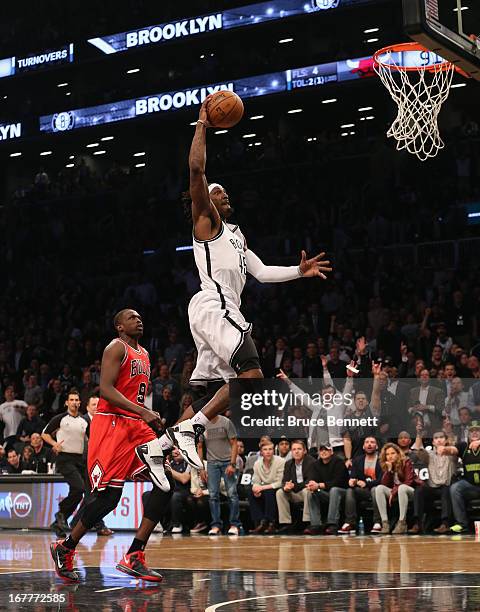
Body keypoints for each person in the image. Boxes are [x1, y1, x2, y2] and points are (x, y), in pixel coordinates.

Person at [155, 96, 332, 468]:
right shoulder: (207, 222)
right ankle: (192, 430)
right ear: (206, 200)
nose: (224, 194)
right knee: (251, 375)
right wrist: (202, 124)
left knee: (222, 392)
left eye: (224, 192)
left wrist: (298, 272)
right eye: (218, 192)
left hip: (216, 311)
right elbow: (196, 171)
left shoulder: (236, 234)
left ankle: (161, 448)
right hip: (214, 305)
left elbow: (263, 272)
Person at [49, 309, 171, 583]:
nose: (138, 319)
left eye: (140, 316)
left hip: (137, 427)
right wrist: (142, 412)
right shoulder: (116, 347)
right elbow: (105, 389)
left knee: (165, 482)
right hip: (113, 425)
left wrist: (145, 417)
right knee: (108, 498)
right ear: (119, 326)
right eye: (131, 317)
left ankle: (135, 554)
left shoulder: (146, 354)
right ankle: (65, 548)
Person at [42, 390, 89, 539]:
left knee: (80, 492)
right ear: (67, 402)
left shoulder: (84, 421)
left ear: (80, 403)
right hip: (64, 458)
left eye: (77, 400)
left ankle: (58, 521)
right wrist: (54, 444)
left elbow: (92, 439)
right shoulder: (60, 418)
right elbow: (44, 433)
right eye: (72, 400)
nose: (74, 402)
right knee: (79, 488)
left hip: (79, 460)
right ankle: (61, 512)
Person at [198, 413, 241, 535]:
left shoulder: (226, 422)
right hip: (212, 463)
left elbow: (234, 443)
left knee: (232, 494)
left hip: (228, 461)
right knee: (213, 495)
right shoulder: (202, 425)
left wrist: (232, 464)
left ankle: (234, 524)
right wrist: (201, 468)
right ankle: (216, 525)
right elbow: (199, 446)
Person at [409, 428, 458, 534]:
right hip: (432, 487)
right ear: (433, 442)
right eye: (436, 438)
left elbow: (455, 450)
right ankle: (417, 523)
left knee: (446, 489)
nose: (439, 440)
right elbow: (417, 450)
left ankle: (445, 524)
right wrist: (419, 434)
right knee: (419, 490)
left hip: (446, 486)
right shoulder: (429, 454)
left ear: (446, 440)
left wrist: (447, 448)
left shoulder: (451, 454)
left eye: (441, 437)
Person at [375, 443, 423, 534]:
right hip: (397, 492)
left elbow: (409, 482)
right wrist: (389, 471)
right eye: (387, 454)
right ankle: (385, 523)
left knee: (402, 488)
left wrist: (394, 491)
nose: (390, 456)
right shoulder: (388, 465)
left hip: (412, 491)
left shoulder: (406, 462)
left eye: (392, 453)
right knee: (379, 488)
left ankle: (402, 523)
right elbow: (384, 484)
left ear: (398, 453)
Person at [338, 436, 383, 534]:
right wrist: (353, 481)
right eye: (367, 442)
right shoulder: (357, 460)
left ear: (377, 446)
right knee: (350, 491)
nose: (369, 444)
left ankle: (377, 522)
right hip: (363, 491)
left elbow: (382, 480)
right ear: (363, 446)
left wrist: (366, 483)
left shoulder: (381, 459)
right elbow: (353, 476)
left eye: (372, 442)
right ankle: (350, 522)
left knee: (376, 489)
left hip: (378, 490)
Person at [304, 443, 349, 535]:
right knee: (311, 492)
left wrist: (319, 485)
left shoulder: (339, 462)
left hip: (343, 493)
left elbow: (338, 482)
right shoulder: (316, 464)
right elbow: (312, 478)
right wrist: (311, 485)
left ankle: (332, 524)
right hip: (325, 493)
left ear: (331, 451)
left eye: (326, 450)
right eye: (321, 450)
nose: (323, 452)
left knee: (334, 490)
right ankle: (316, 525)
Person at [276, 439, 315, 533]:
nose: (296, 451)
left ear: (305, 451)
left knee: (307, 490)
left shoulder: (311, 462)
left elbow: (309, 481)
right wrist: (286, 487)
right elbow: (285, 480)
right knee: (280, 492)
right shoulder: (288, 463)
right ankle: (285, 523)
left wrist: (294, 486)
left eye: (299, 449)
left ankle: (307, 522)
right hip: (294, 492)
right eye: (294, 449)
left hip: (307, 491)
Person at [449, 420, 480, 533]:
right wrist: (445, 449)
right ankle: (461, 524)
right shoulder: (464, 446)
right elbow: (453, 449)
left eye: (477, 430)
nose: (475, 433)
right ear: (468, 433)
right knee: (455, 488)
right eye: (472, 431)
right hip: (470, 486)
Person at [248, 441, 285, 534]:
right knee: (251, 492)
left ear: (273, 451)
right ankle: (260, 522)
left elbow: (280, 482)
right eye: (265, 450)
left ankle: (271, 522)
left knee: (270, 492)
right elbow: (255, 481)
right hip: (264, 487)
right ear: (261, 452)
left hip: (276, 487)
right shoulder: (257, 464)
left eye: (270, 449)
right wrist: (255, 488)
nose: (268, 452)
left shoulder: (280, 461)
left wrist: (262, 488)